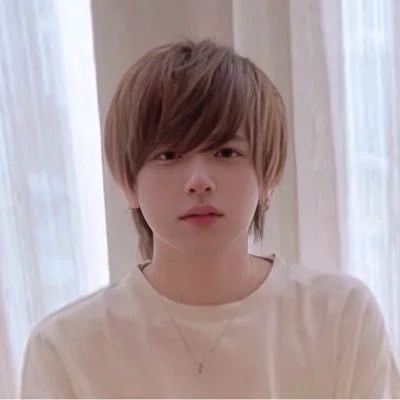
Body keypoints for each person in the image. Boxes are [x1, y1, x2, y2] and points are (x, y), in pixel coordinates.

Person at [20, 39, 399, 399]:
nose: (199, 181)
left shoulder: (341, 315)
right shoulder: (64, 347)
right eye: (169, 155)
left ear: (268, 175)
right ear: (127, 183)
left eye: (226, 152)